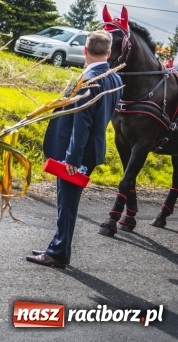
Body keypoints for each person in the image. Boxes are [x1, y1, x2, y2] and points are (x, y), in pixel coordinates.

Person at [26, 30, 123, 268]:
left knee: (67, 203)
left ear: (85, 50)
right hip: (91, 149)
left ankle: (58, 253)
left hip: (76, 152)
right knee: (67, 202)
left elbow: (82, 123)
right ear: (109, 52)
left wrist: (72, 158)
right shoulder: (116, 79)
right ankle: (59, 247)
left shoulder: (89, 80)